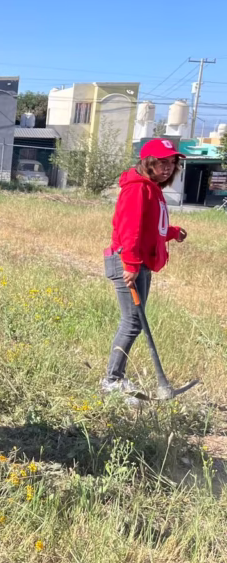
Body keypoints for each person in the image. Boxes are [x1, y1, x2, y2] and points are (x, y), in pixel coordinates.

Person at [102, 137, 187, 395]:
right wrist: (130, 264)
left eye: (172, 163)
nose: (168, 167)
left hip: (139, 262)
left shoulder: (151, 188)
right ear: (148, 162)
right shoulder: (137, 188)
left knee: (134, 322)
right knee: (132, 323)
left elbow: (149, 227)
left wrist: (172, 232)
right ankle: (112, 381)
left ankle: (115, 379)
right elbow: (129, 229)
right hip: (128, 261)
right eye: (162, 162)